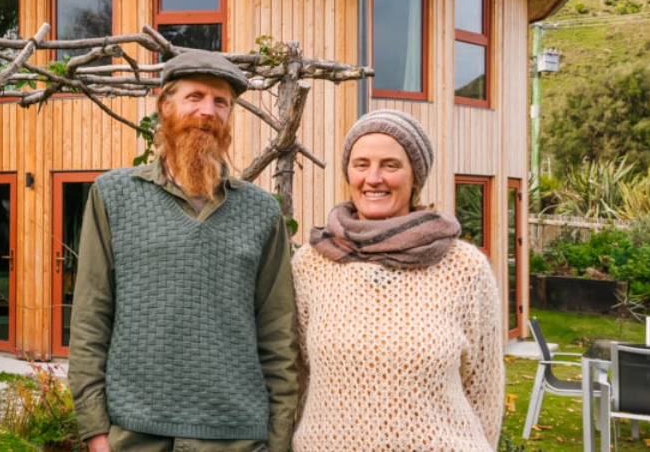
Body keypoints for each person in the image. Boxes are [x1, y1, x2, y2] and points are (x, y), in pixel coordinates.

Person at [69, 50, 298, 452]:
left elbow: (278, 338)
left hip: (237, 439)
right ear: (165, 104)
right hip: (134, 434)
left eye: (221, 101)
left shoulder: (262, 212)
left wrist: (278, 439)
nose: (207, 111)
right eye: (195, 97)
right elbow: (90, 319)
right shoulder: (114, 196)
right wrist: (96, 432)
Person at [291, 109, 504, 451]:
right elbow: (297, 377)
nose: (373, 178)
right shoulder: (311, 264)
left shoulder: (464, 267)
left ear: (415, 176)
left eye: (390, 165)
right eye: (361, 164)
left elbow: (484, 390)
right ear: (349, 172)